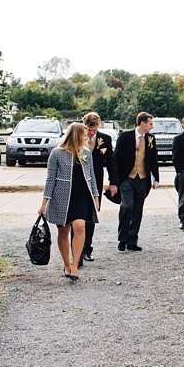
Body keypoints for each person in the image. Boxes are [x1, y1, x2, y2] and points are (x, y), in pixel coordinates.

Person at [37, 122, 98, 281]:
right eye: (84, 135)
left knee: (79, 227)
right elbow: (50, 180)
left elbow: (92, 176)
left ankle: (76, 264)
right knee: (63, 231)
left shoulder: (86, 153)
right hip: (62, 198)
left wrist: (96, 197)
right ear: (76, 135)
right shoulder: (56, 154)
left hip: (82, 197)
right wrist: (44, 203)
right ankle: (66, 264)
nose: (86, 138)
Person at [108, 111, 160, 252]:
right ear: (142, 123)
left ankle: (132, 240)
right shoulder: (125, 136)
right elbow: (115, 159)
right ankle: (122, 238)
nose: (152, 127)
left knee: (138, 210)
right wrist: (113, 181)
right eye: (150, 124)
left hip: (142, 179)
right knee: (127, 207)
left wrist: (156, 178)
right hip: (127, 178)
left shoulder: (151, 139)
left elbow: (153, 160)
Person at [81, 112, 114, 263]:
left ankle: (87, 248)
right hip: (78, 181)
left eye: (94, 130)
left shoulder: (105, 139)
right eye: (89, 130)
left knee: (91, 215)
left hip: (96, 183)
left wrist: (113, 182)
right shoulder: (77, 138)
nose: (91, 133)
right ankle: (77, 249)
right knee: (77, 216)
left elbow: (111, 163)